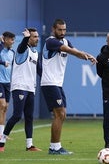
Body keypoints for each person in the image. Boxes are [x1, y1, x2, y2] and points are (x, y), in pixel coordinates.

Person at [41, 19, 97, 155]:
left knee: (62, 114)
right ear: (53, 29)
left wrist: (88, 56)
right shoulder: (50, 41)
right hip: (49, 83)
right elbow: (70, 51)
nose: (62, 32)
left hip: (58, 84)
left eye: (64, 29)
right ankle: (54, 148)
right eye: (59, 29)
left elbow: (75, 50)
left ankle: (56, 146)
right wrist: (81, 55)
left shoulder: (65, 41)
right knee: (59, 113)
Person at [0, 28, 41, 152]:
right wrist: (25, 38)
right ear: (28, 38)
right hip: (20, 87)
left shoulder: (35, 53)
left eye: (37, 36)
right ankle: (1, 141)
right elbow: (23, 46)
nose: (37, 39)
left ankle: (29, 145)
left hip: (30, 88)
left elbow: (40, 70)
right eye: (34, 37)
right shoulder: (21, 50)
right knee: (17, 115)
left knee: (29, 117)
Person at [0, 32, 15, 137]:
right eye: (10, 39)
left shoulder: (12, 52)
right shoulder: (0, 49)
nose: (12, 41)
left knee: (5, 108)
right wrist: (3, 63)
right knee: (2, 105)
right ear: (4, 40)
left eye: (13, 39)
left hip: (8, 83)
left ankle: (2, 133)